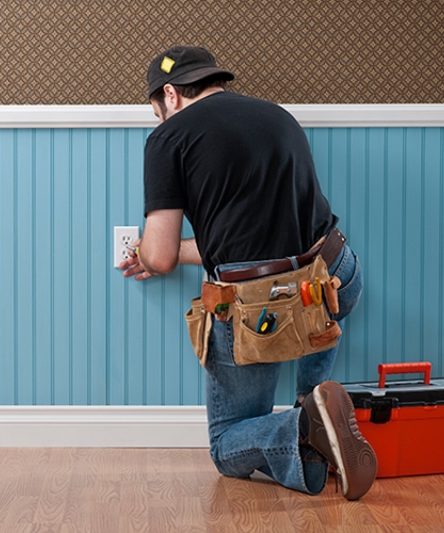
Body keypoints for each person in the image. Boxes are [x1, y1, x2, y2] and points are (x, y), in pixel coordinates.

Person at [119, 45, 377, 500]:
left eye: (156, 109)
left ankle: (306, 423)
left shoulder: (168, 137)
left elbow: (157, 258)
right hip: (335, 274)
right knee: (317, 322)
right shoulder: (277, 116)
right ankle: (314, 412)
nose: (159, 118)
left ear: (171, 95)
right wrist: (180, 251)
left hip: (264, 310)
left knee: (226, 446)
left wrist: (152, 249)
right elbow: (253, 240)